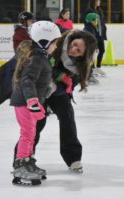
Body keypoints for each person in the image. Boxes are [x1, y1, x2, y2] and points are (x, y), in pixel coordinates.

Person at [31, 30, 97, 173]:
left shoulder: (83, 65)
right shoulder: (57, 43)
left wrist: (63, 83)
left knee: (67, 117)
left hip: (58, 91)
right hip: (40, 87)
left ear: (84, 55)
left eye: (78, 50)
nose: (73, 50)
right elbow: (41, 64)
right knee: (37, 122)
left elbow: (72, 83)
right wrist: (59, 76)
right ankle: (24, 157)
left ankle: (73, 158)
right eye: (74, 45)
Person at [10, 21, 61, 186]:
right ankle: (21, 165)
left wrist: (48, 87)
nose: (56, 46)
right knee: (27, 133)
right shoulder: (36, 58)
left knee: (31, 133)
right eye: (54, 42)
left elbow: (38, 79)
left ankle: (29, 161)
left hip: (30, 102)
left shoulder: (41, 56)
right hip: (25, 102)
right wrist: (32, 100)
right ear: (45, 42)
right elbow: (27, 81)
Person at [84, 0, 107, 76]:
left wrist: (104, 31)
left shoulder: (100, 10)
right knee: (92, 52)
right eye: (98, 0)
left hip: (100, 33)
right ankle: (92, 68)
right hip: (93, 33)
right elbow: (87, 22)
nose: (99, 2)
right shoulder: (89, 10)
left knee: (102, 50)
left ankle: (98, 67)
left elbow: (102, 22)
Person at [83, 12, 100, 85]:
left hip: (90, 49)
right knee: (88, 62)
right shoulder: (88, 29)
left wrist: (96, 47)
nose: (96, 22)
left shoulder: (91, 28)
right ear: (90, 21)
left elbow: (93, 39)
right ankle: (88, 76)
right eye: (95, 20)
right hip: (88, 49)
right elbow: (90, 40)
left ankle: (88, 75)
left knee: (90, 62)